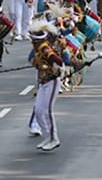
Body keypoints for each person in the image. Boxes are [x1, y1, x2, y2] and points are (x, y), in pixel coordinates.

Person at [29, 20, 64, 151]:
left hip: (52, 82)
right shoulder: (39, 48)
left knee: (47, 111)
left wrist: (54, 65)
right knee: (38, 111)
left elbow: (57, 59)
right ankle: (47, 136)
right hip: (43, 83)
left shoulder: (44, 48)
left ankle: (54, 138)